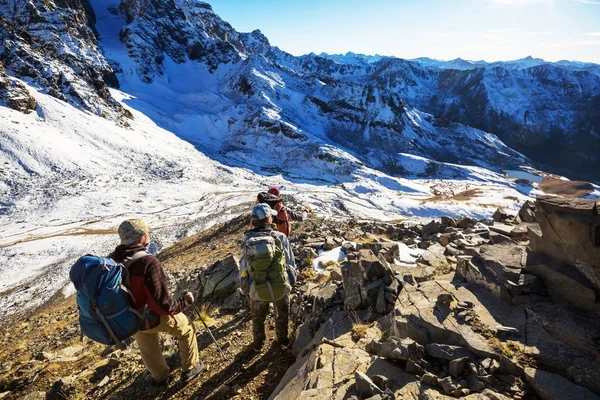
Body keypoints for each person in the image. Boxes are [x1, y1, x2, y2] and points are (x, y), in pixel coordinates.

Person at [109, 218, 204, 384]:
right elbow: (164, 305)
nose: (148, 234)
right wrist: (183, 302)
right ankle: (191, 367)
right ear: (141, 237)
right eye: (146, 232)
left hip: (130, 319)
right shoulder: (148, 263)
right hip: (151, 316)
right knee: (187, 328)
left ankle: (160, 377)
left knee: (147, 348)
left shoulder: (113, 260)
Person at [240, 204, 297, 352]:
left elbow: (244, 267)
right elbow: (290, 264)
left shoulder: (247, 240)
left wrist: (246, 289)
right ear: (268, 219)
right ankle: (283, 342)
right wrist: (290, 283)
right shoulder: (280, 237)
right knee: (282, 315)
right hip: (280, 287)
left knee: (258, 318)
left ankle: (258, 345)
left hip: (257, 288)